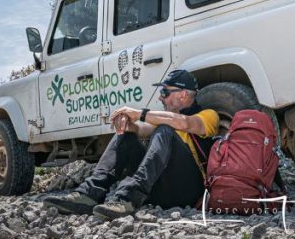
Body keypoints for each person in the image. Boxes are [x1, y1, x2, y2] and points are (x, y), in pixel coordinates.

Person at [43, 69, 219, 220]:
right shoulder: (164, 120)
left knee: (165, 129)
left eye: (165, 92)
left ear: (183, 94)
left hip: (187, 190)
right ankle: (88, 194)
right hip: (159, 190)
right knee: (126, 135)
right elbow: (141, 129)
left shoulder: (209, 115)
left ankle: (128, 199)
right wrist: (127, 124)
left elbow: (184, 123)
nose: (160, 97)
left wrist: (140, 113)